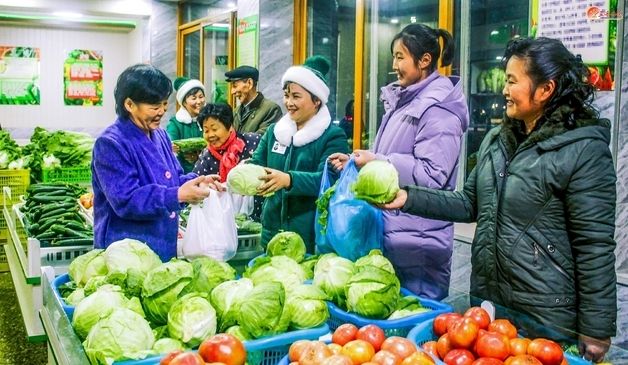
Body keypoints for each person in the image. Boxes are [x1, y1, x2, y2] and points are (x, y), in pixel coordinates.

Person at [383, 37, 617, 362]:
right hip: (489, 309)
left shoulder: (584, 150)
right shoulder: (497, 139)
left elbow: (594, 246)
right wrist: (407, 197)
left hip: (546, 318)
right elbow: (468, 204)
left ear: (545, 89)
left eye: (512, 81)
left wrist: (596, 328)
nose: (504, 90)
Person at [329, 24, 469, 300]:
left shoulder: (438, 110)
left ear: (425, 60)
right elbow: (395, 153)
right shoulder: (406, 100)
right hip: (397, 232)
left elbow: (432, 175)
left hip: (419, 240)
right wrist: (358, 161)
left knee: (413, 321)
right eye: (394, 57)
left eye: (400, 56)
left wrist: (377, 161)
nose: (394, 65)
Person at [92, 64, 217, 262]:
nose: (162, 112)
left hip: (161, 245)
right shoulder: (111, 144)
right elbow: (126, 200)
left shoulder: (160, 135)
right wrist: (177, 195)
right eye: (154, 106)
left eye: (165, 105)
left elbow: (173, 179)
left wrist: (197, 181)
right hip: (127, 254)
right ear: (129, 104)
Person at [247, 56, 349, 252]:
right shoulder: (275, 132)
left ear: (317, 100)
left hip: (310, 237)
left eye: (296, 96)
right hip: (272, 234)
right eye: (286, 95)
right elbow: (258, 163)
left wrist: (289, 180)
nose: (288, 102)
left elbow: (328, 182)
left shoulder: (332, 136)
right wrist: (244, 170)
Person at [192, 103, 263, 220]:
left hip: (257, 216)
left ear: (229, 126)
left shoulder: (253, 142)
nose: (210, 135)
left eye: (214, 129)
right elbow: (195, 182)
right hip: (223, 219)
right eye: (206, 131)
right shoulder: (207, 156)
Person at [225, 65, 282, 134]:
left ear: (249, 83)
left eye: (235, 86)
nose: (232, 92)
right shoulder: (235, 112)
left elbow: (261, 140)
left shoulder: (271, 110)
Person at [166, 76, 206, 173]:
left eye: (201, 97)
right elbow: (169, 148)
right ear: (184, 102)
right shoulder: (175, 124)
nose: (199, 102)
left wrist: (199, 156)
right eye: (194, 98)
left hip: (207, 173)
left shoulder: (208, 120)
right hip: (183, 176)